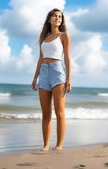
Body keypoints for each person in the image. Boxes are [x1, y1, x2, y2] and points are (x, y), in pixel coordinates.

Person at [31, 8, 72, 151]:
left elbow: (66, 57)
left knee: (59, 112)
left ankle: (59, 145)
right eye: (54, 16)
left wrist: (69, 78)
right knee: (46, 113)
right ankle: (46, 145)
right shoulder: (44, 37)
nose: (57, 18)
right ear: (49, 19)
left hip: (57, 72)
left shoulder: (64, 36)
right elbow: (40, 58)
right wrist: (35, 77)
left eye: (60, 17)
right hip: (43, 72)